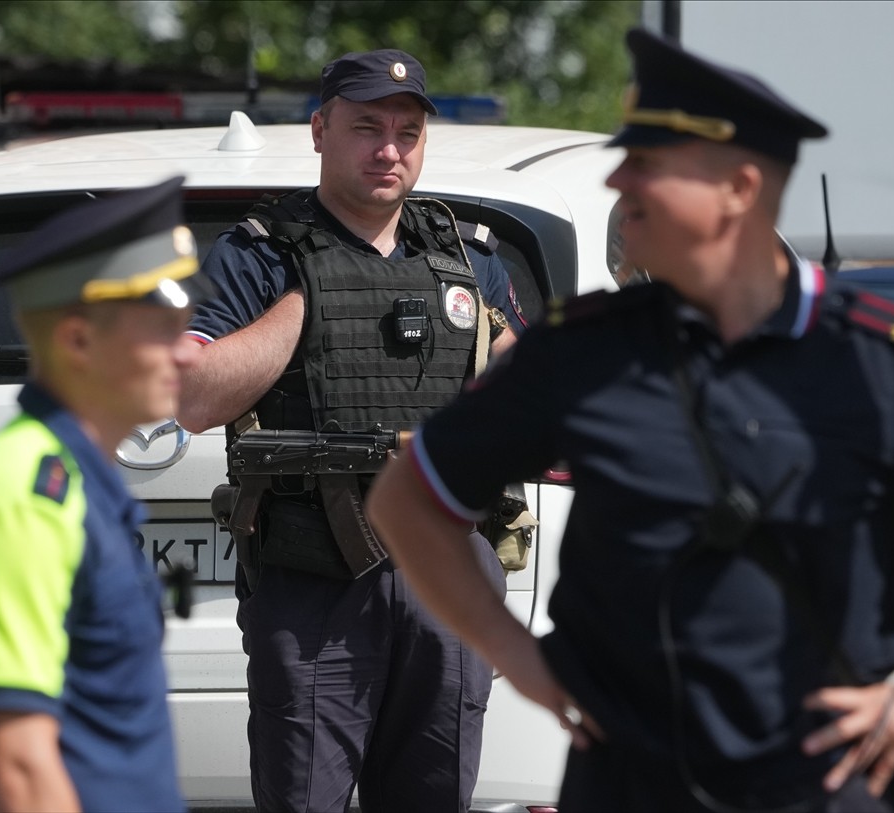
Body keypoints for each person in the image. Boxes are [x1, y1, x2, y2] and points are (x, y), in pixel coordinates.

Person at [365, 28, 894, 813]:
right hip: (628, 783)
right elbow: (410, 499)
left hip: (817, 786)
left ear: (739, 188)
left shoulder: (882, 358)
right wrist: (515, 652)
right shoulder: (581, 350)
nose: (620, 179)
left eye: (649, 164)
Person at [175, 48, 521, 813]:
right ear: (320, 131)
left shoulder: (464, 257)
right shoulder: (263, 252)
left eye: (407, 131)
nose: (389, 148)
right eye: (367, 127)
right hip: (313, 582)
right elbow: (192, 397)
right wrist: (314, 301)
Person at [0, 176, 211, 812]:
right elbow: (15, 761)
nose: (186, 355)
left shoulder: (78, 479)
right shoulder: (27, 488)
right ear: (78, 340)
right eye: (162, 329)